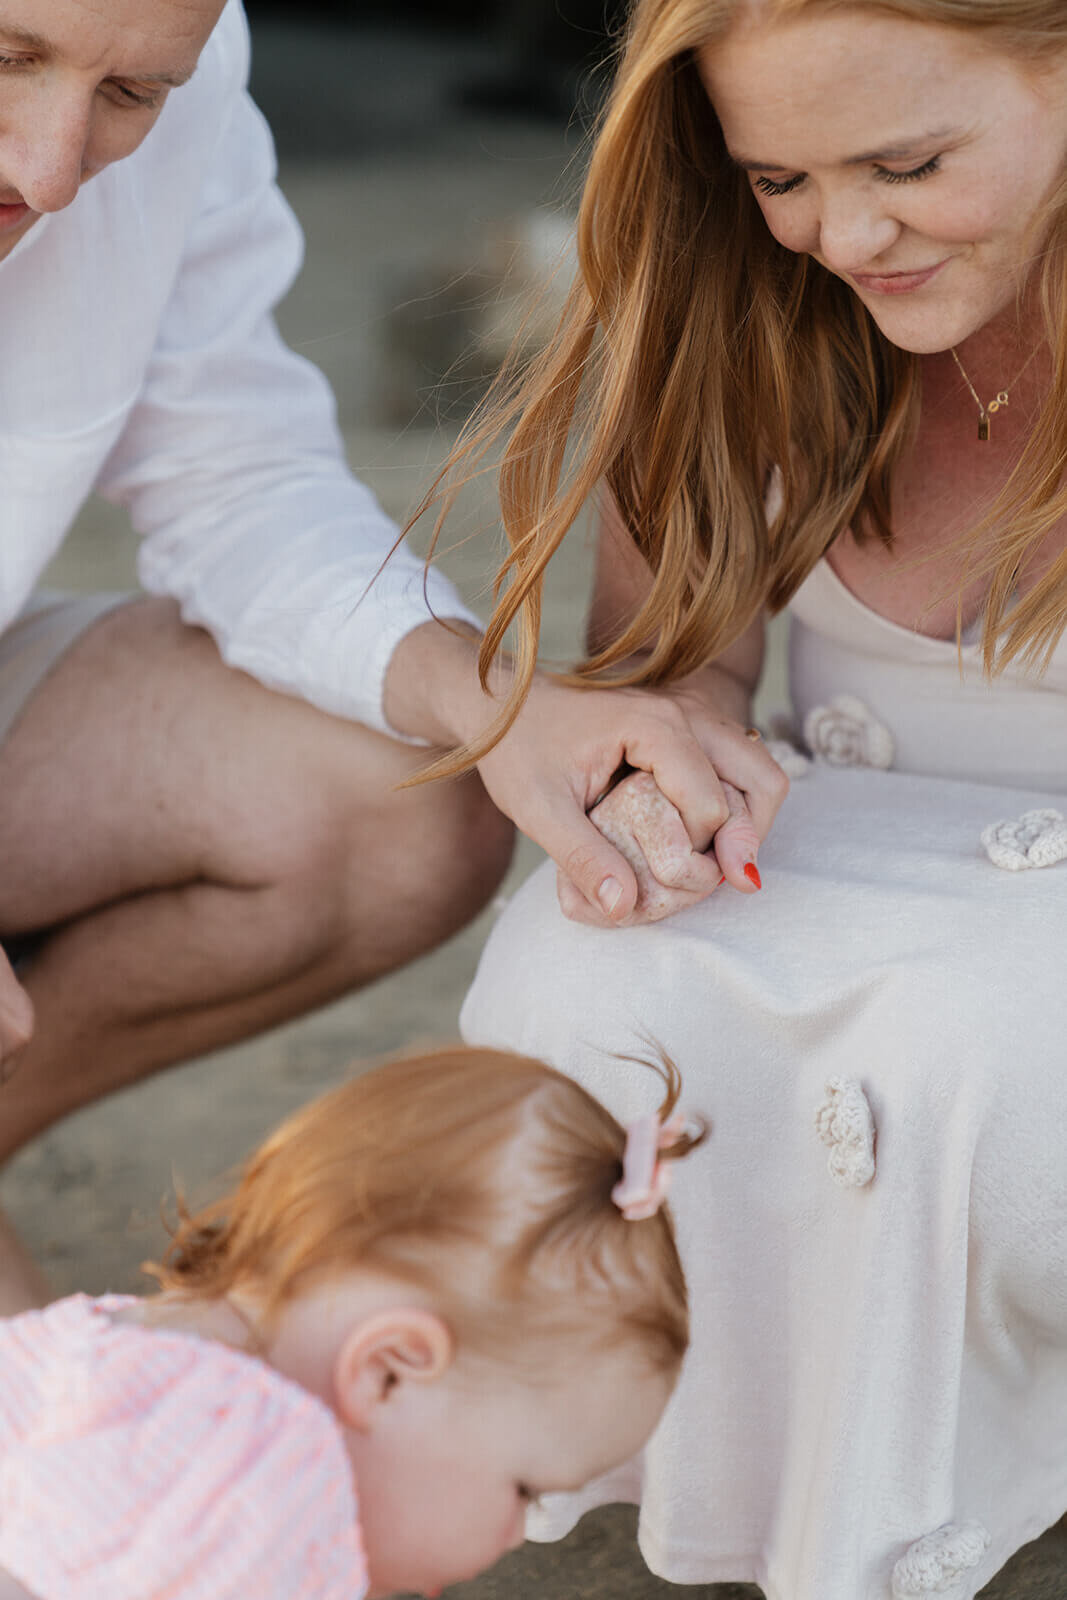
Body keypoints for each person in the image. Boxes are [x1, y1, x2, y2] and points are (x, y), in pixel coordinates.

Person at [439, 1, 1067, 1596]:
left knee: (978, 1055)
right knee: (566, 979)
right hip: (843, 855)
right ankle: (750, 1455)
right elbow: (679, 665)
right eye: (776, 174)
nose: (842, 234)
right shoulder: (748, 306)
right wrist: (668, 769)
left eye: (909, 164)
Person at [0, 0, 754, 1314]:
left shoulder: (179, 55)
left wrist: (495, 705)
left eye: (132, 96)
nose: (52, 170)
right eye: (6, 59)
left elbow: (229, 469)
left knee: (395, 792)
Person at [0, 1043, 704, 1599]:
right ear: (388, 1371)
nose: (518, 1534)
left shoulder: (92, 1342)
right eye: (524, 1490)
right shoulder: (261, 1488)